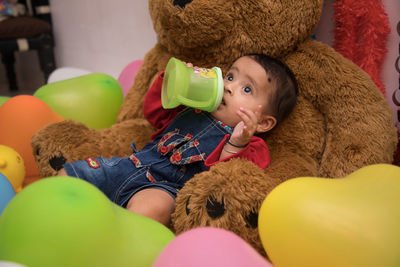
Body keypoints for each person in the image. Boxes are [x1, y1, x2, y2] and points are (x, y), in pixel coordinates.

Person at [57, 54, 298, 227]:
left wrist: (238, 143)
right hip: (127, 166)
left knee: (151, 209)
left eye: (247, 89)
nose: (228, 87)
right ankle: (63, 220)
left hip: (164, 188)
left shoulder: (252, 146)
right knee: (69, 175)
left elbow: (226, 176)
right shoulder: (194, 109)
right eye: (230, 76)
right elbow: (154, 114)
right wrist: (172, 83)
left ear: (264, 122)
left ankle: (112, 236)